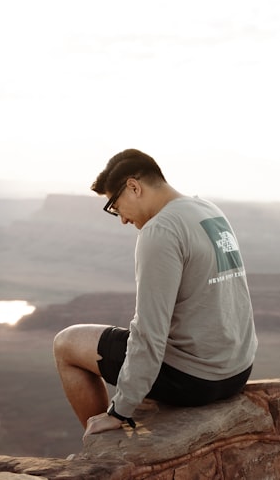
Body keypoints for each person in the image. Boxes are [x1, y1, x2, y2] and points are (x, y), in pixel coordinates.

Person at [53, 149, 258, 437]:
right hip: (238, 370)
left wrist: (120, 409)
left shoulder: (160, 231)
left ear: (134, 187)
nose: (122, 219)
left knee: (66, 344)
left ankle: (99, 442)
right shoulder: (208, 210)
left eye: (115, 205)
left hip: (195, 380)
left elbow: (150, 331)